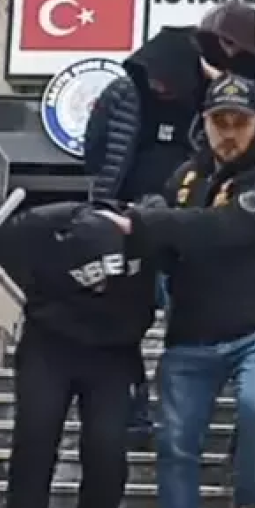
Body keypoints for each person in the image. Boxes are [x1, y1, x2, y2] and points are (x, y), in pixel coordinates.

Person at [96, 74, 255, 508]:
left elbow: (227, 229)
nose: (228, 133)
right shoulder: (184, 177)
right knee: (175, 442)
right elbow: (166, 245)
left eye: (240, 122)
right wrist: (145, 227)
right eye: (219, 122)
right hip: (192, 329)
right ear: (204, 123)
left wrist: (150, 223)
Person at [0, 200, 158, 508]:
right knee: (35, 442)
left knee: (107, 451)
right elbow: (1, 241)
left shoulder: (146, 238)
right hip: (49, 345)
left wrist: (140, 221)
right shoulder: (53, 233)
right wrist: (75, 211)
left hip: (114, 353)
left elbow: (188, 236)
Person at [83, 25, 207, 436]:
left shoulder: (204, 102)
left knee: (185, 318)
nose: (159, 86)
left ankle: (179, 410)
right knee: (120, 317)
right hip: (121, 216)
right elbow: (94, 147)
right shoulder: (123, 93)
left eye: (166, 80)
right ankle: (131, 405)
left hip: (180, 226)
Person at [196, 0, 255, 81]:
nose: (231, 51)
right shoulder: (205, 48)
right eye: (228, 42)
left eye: (241, 46)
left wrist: (219, 77)